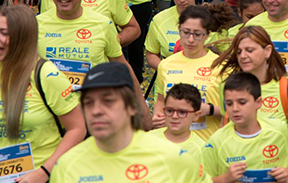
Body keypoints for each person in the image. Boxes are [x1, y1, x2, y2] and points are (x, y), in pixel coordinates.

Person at [0, 5, 87, 183]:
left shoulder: (47, 75)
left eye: (4, 33)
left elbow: (78, 128)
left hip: (37, 176)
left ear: (22, 38)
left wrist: (45, 172)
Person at [50, 62, 209, 183]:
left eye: (108, 101)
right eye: (89, 102)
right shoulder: (66, 166)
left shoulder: (173, 157)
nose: (96, 110)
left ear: (132, 106)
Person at [203, 72, 288, 183]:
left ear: (258, 103)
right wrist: (225, 178)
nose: (235, 108)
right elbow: (200, 180)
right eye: (229, 103)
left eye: (242, 102)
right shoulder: (216, 141)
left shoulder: (279, 130)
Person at [213, 25, 288, 139]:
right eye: (239, 51)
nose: (243, 56)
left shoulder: (287, 90)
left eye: (250, 50)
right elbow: (224, 126)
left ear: (267, 51)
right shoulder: (227, 86)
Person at [153, 6, 222, 141]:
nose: (190, 40)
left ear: (207, 34)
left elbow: (235, 110)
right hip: (173, 144)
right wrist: (157, 116)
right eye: (186, 32)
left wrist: (210, 109)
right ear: (179, 31)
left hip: (207, 143)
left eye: (197, 34)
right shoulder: (166, 65)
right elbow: (161, 100)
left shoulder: (221, 66)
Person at [145, 0, 199, 70]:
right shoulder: (159, 20)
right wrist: (167, 70)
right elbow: (151, 54)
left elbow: (222, 55)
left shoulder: (211, 20)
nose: (182, 0)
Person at [147, 83, 206, 162]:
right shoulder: (148, 139)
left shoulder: (202, 149)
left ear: (196, 115)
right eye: (170, 111)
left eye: (182, 112)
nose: (174, 116)